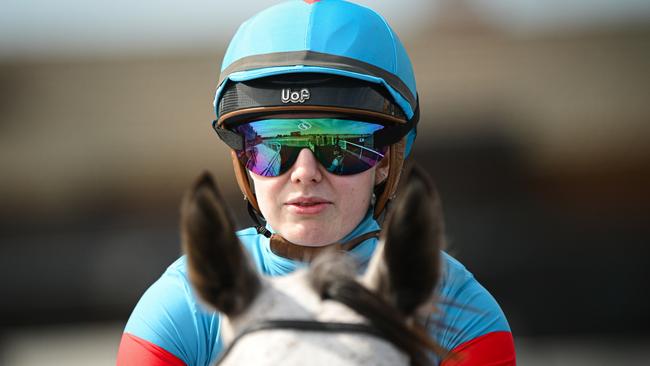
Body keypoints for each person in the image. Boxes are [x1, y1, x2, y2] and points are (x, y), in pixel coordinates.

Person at [116, 1, 516, 365]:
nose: (305, 171)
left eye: (340, 143)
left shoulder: (462, 313)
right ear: (243, 161)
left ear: (385, 163)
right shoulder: (183, 300)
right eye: (273, 144)